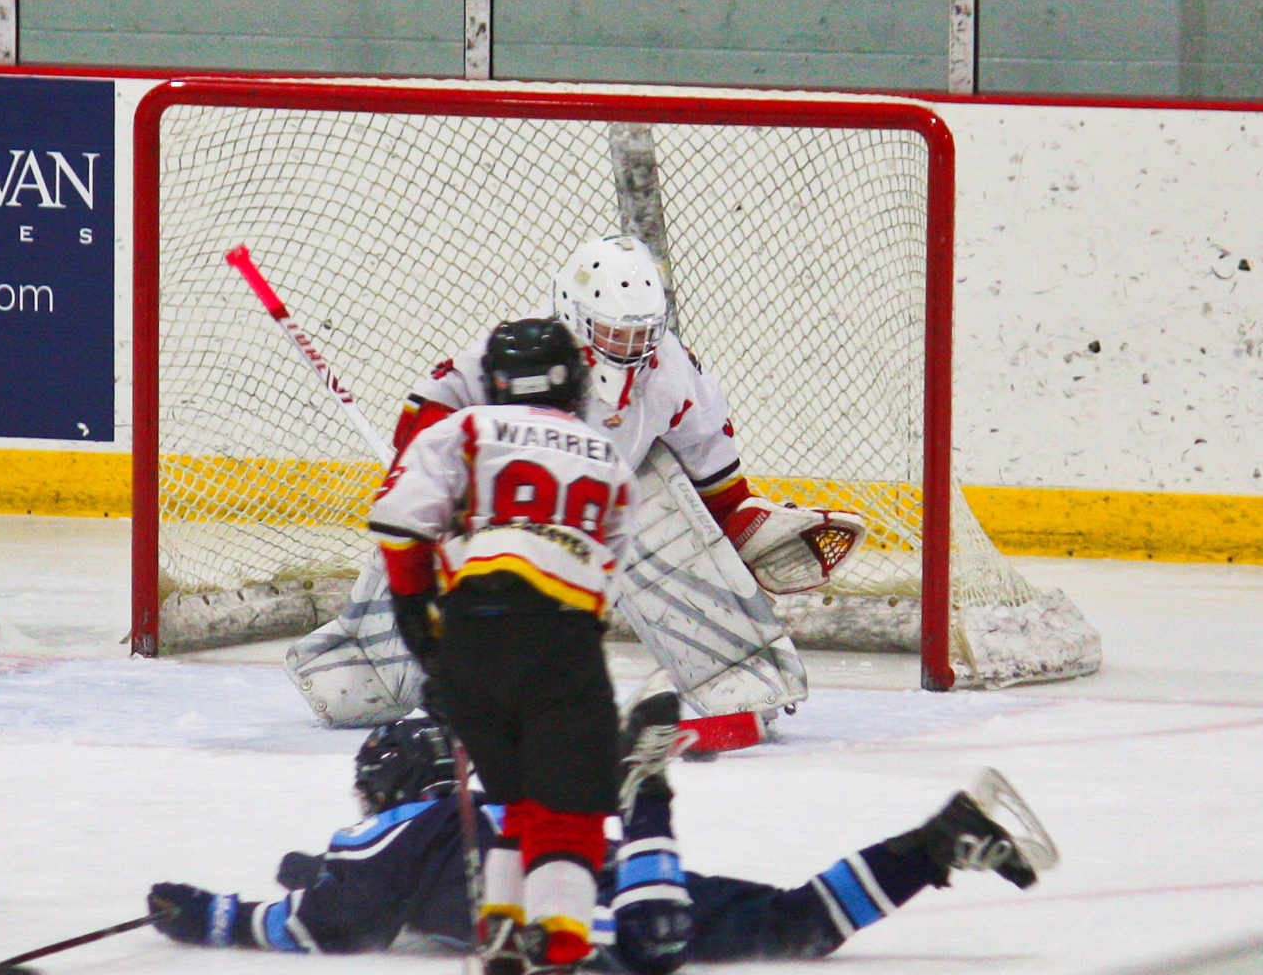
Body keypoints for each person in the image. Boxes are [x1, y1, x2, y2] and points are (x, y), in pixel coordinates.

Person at [147, 716, 1058, 975]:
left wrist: (211, 915)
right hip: (610, 866)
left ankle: (645, 790)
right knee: (791, 925)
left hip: (585, 905)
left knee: (653, 947)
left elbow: (328, 926)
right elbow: (394, 896)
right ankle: (938, 842)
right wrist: (314, 867)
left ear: (386, 789)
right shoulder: (467, 813)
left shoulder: (393, 830)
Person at [286, 235, 866, 736]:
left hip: (603, 496)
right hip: (504, 505)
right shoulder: (521, 351)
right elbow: (433, 410)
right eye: (614, 331)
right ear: (573, 314)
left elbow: (710, 461)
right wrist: (428, 489)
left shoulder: (671, 370)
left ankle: (739, 676)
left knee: (665, 507)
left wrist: (740, 522)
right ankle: (364, 661)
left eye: (643, 333)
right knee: (395, 645)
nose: (631, 348)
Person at [362, 315, 641, 975]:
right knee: (567, 815)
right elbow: (604, 582)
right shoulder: (610, 459)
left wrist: (421, 628)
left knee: (516, 806)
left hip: (468, 642)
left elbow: (400, 526)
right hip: (560, 638)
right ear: (574, 382)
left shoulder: (462, 429)